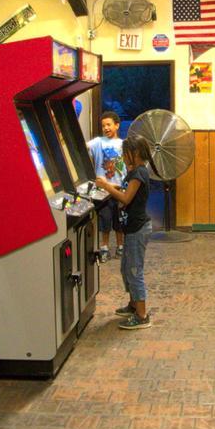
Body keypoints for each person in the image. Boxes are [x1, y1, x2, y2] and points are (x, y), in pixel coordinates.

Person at [96, 133, 158, 330]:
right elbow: (125, 189)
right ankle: (133, 305)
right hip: (132, 228)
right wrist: (111, 186)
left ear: (135, 153)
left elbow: (126, 198)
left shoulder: (139, 173)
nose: (122, 156)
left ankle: (142, 315)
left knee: (134, 270)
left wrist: (106, 185)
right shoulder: (135, 172)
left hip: (137, 229)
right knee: (126, 268)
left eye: (125, 153)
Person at [87, 111, 125, 260]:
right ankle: (104, 246)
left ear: (117, 125)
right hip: (102, 191)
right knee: (105, 219)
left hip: (119, 188)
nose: (106, 128)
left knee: (119, 219)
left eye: (109, 124)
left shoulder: (123, 144)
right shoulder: (97, 142)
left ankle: (121, 245)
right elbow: (84, 147)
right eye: (103, 126)